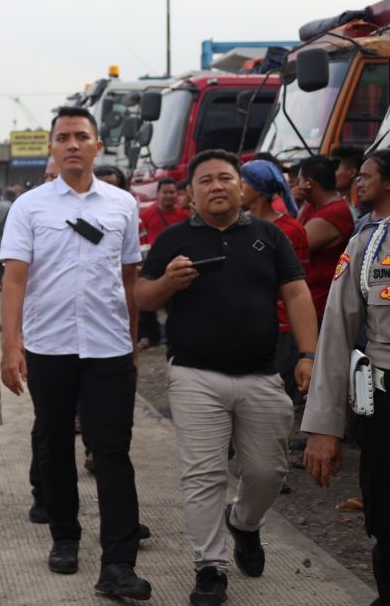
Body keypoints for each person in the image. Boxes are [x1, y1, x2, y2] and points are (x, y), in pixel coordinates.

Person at [135, 149, 318, 606]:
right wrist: (167, 285)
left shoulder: (269, 237)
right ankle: (210, 567)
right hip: (195, 375)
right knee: (203, 475)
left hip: (261, 373)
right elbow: (143, 296)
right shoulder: (173, 239)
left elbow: (296, 293)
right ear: (191, 193)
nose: (216, 186)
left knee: (266, 470)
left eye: (225, 178)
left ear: (241, 187)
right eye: (205, 181)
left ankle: (244, 523)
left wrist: (309, 354)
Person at [0, 105, 153, 600]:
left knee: (113, 451)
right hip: (50, 347)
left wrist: (131, 342)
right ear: (51, 147)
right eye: (62, 136)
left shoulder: (122, 205)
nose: (71, 144)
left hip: (108, 348)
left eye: (80, 136)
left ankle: (119, 562)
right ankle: (64, 536)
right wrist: (10, 346)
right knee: (53, 443)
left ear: (97, 145)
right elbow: (15, 279)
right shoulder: (31, 207)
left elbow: (129, 278)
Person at [302, 150, 390, 606]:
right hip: (382, 404)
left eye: (367, 175)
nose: (357, 181)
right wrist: (324, 426)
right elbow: (335, 333)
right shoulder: (366, 243)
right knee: (384, 518)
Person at [240, 159, 311, 401]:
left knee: (275, 398)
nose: (237, 187)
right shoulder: (235, 226)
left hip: (282, 330)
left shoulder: (291, 230)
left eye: (243, 182)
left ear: (258, 190)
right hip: (244, 328)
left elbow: (298, 287)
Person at [297, 155, 356, 321]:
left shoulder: (333, 214)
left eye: (299, 180)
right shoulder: (312, 205)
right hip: (310, 300)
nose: (296, 185)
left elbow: (292, 247)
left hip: (319, 305)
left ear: (309, 183)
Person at [137, 177, 191, 348]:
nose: (169, 196)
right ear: (157, 194)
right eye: (165, 192)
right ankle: (150, 337)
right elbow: (140, 239)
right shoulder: (145, 215)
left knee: (175, 305)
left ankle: (174, 337)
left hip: (178, 266)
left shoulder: (184, 215)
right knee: (147, 306)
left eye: (172, 192)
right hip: (154, 265)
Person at [330, 144, 364, 216]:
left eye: (334, 168)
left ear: (352, 172)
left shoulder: (366, 206)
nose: (329, 173)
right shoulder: (332, 203)